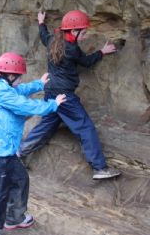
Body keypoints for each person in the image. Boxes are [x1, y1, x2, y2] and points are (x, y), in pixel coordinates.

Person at [0, 52, 66, 235]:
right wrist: (53, 104)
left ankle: (14, 217)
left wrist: (39, 84)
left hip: (4, 149)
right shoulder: (3, 92)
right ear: (10, 76)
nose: (21, 80)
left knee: (20, 179)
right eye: (19, 77)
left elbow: (19, 90)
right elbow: (24, 105)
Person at [18, 10, 121, 180]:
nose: (85, 36)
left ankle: (19, 153)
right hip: (65, 97)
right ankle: (100, 168)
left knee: (47, 126)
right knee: (85, 127)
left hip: (50, 92)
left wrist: (41, 22)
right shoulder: (72, 49)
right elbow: (86, 62)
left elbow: (43, 36)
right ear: (73, 31)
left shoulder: (52, 40)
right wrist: (102, 52)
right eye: (84, 32)